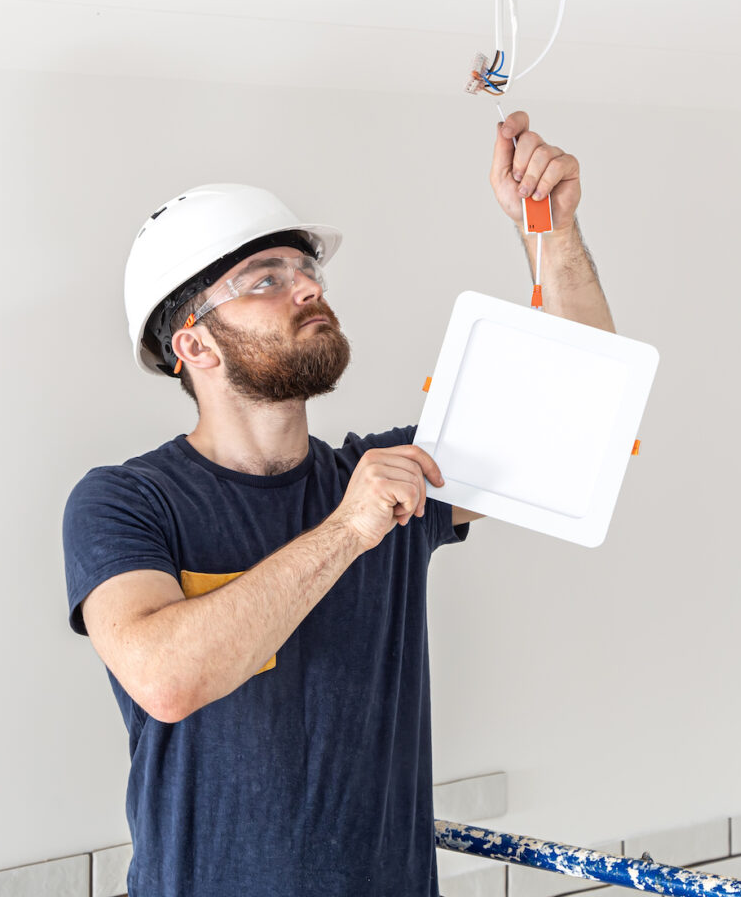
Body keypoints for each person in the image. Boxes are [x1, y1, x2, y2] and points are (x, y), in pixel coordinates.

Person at [63, 111, 615, 897]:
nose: (308, 287)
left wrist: (553, 230)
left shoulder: (384, 475)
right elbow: (166, 678)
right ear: (194, 345)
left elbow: (581, 414)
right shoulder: (127, 501)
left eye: (304, 269)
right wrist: (350, 529)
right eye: (266, 279)